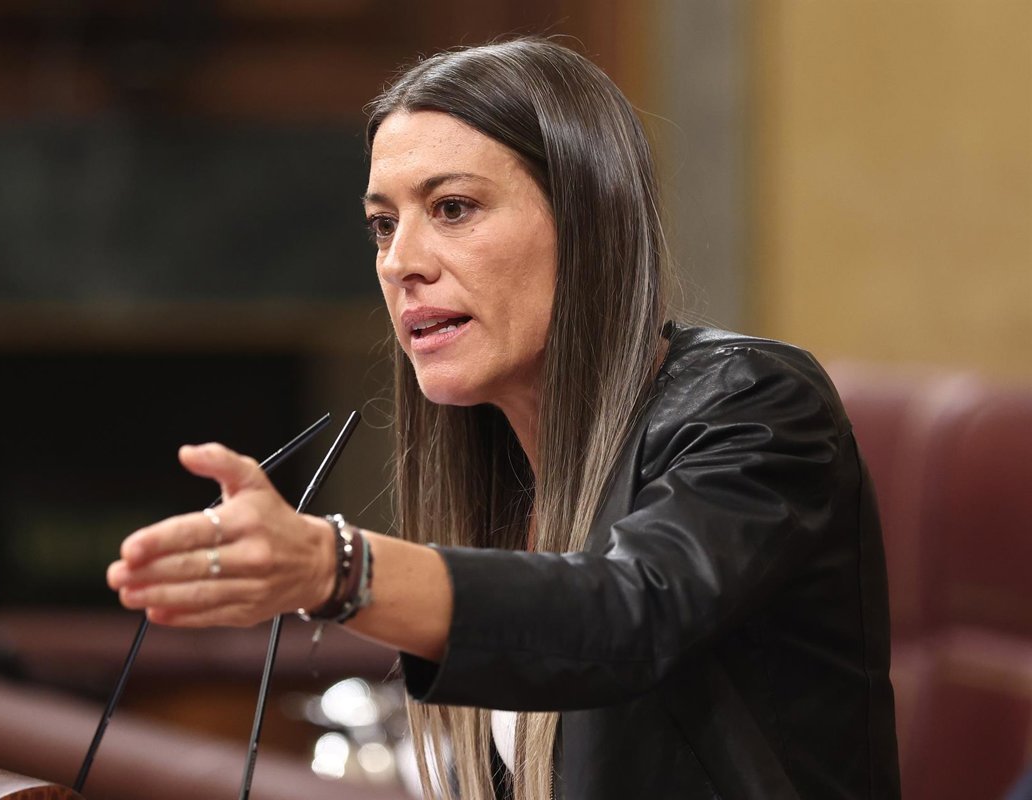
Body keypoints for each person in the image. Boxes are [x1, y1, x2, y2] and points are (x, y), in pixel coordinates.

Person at [107, 38, 900, 799]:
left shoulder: (757, 402)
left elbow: (625, 616)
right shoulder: (501, 474)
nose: (400, 261)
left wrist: (336, 567)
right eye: (383, 224)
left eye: (452, 208)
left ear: (586, 223)